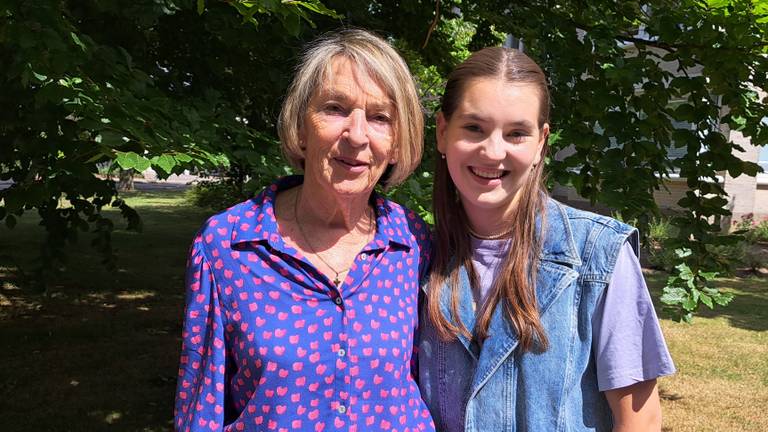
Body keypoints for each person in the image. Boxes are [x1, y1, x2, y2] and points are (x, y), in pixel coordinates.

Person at [174, 29, 435, 432]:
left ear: (398, 143)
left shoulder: (413, 243)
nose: (357, 135)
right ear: (300, 126)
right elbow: (201, 407)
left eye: (380, 117)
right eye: (335, 108)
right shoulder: (228, 245)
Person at [418, 47, 676, 431]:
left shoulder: (598, 256)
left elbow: (639, 420)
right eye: (474, 128)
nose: (493, 151)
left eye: (516, 133)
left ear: (540, 143)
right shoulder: (414, 257)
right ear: (442, 132)